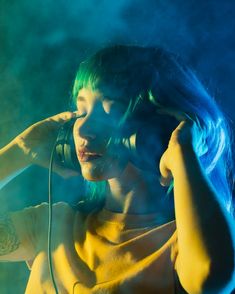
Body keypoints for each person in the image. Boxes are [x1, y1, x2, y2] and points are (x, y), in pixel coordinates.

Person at [0, 45, 234, 294]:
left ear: (160, 125)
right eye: (81, 111)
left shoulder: (186, 241)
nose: (82, 129)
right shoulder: (52, 225)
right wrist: (20, 151)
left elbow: (212, 279)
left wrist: (183, 149)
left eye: (110, 109)